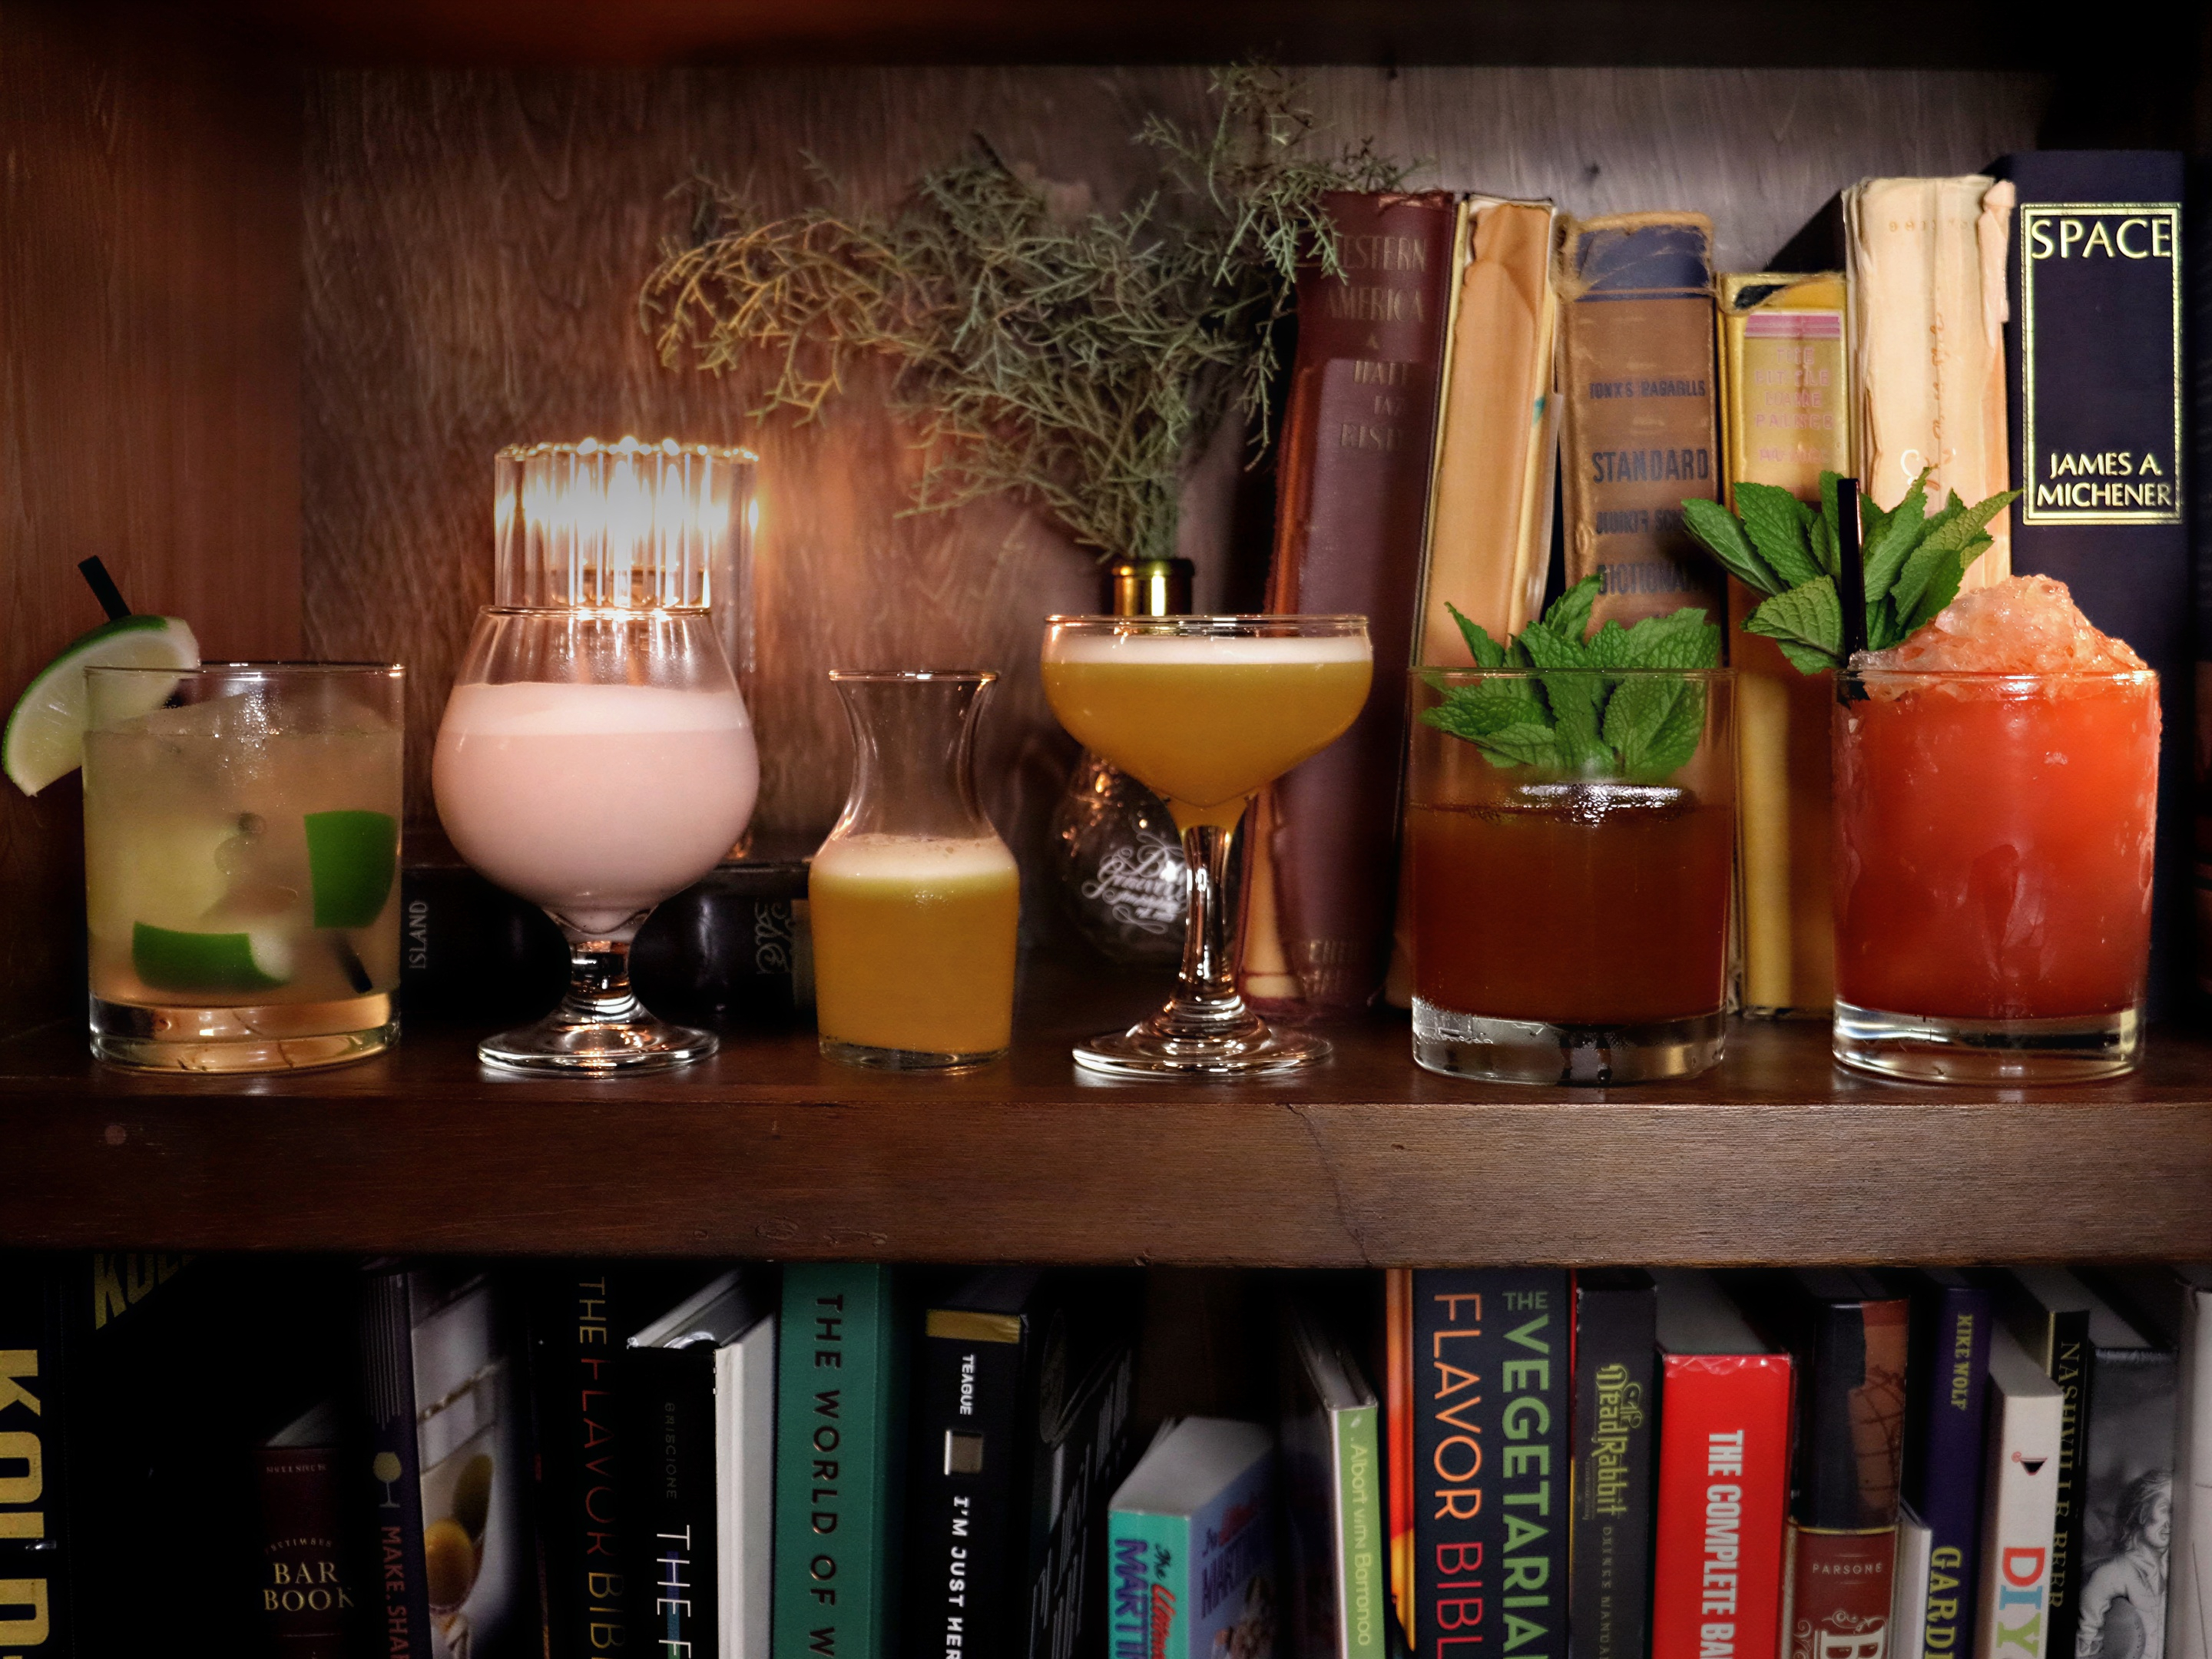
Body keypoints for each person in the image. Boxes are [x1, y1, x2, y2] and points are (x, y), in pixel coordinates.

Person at [2078, 1470, 2173, 1659]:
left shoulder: (2170, 1574)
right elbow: (2083, 1648)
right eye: (2164, 1509)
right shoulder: (2111, 1574)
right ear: (2142, 1512)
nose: (2171, 1522)